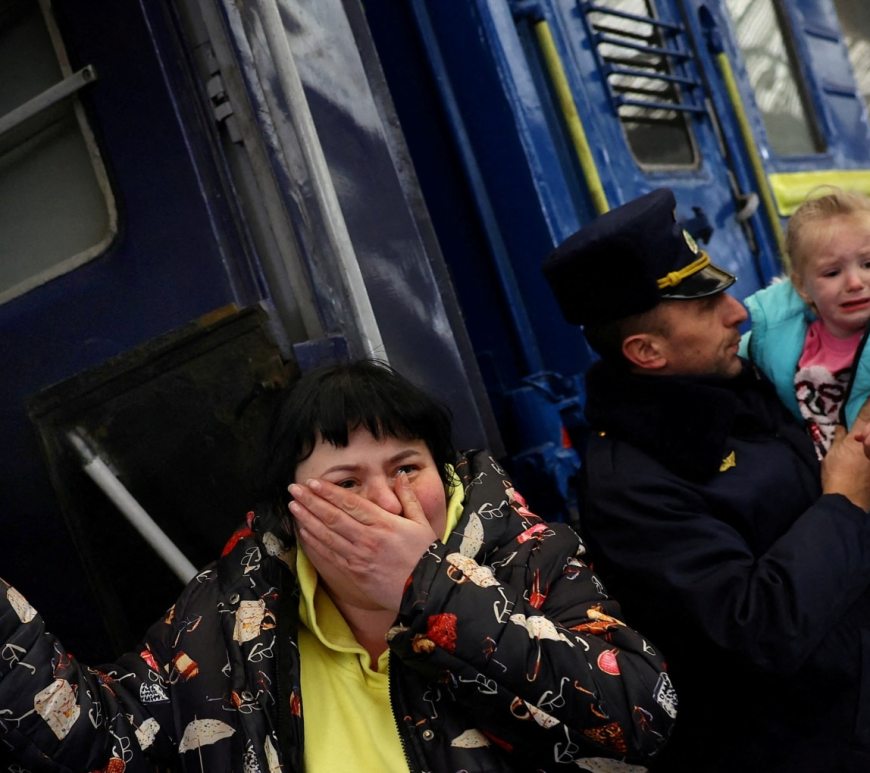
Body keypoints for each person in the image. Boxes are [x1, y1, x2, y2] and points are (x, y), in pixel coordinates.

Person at [0, 359, 675, 772]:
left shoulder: (529, 557)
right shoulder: (226, 622)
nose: (386, 500)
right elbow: (105, 740)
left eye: (408, 468)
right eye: (346, 483)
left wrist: (428, 587)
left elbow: (642, 715)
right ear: (291, 513)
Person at [541, 188, 870, 772]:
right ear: (647, 351)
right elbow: (755, 629)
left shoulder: (744, 387)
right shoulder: (631, 489)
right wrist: (845, 501)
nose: (738, 313)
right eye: (706, 305)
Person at [740, 186, 870, 455]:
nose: (855, 283)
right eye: (832, 273)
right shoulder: (775, 335)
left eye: (868, 264)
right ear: (802, 287)